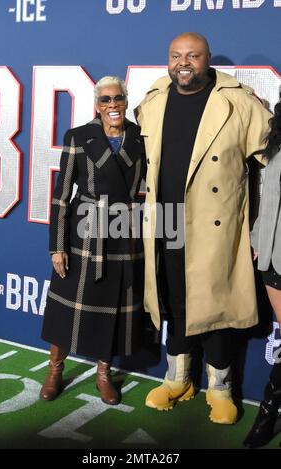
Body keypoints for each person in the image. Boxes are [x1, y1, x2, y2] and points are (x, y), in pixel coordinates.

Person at [135, 32, 271, 424]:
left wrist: (262, 228)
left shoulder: (238, 102)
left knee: (217, 306)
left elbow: (269, 160)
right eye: (176, 55)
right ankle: (178, 379)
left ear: (207, 59)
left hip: (216, 226)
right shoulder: (154, 101)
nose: (183, 63)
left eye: (192, 56)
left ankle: (220, 387)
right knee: (173, 298)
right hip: (167, 221)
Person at [40, 76, 146, 405]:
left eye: (118, 99)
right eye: (105, 100)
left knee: (113, 312)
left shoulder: (141, 138)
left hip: (123, 233)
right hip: (83, 236)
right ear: (96, 105)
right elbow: (61, 196)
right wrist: (57, 246)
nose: (112, 105)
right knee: (65, 311)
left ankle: (104, 374)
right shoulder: (78, 137)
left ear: (126, 102)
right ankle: (55, 370)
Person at [243, 101, 281, 448]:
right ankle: (269, 414)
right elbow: (266, 195)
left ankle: (268, 414)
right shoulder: (275, 134)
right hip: (272, 256)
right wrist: (257, 239)